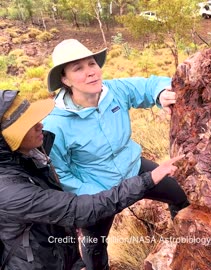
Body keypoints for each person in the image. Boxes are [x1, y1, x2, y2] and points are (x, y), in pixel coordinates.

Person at [42, 39, 189, 270]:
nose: (90, 72)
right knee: (95, 245)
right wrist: (96, 197)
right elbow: (59, 173)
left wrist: (160, 93)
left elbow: (147, 86)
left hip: (134, 169)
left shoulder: (114, 91)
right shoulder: (54, 124)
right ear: (64, 79)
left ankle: (188, 246)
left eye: (92, 64)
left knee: (181, 196)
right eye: (78, 68)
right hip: (99, 190)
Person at [0, 90, 183, 270]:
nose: (40, 124)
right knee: (94, 242)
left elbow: (52, 221)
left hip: (55, 255)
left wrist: (75, 263)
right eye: (29, 125)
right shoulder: (10, 190)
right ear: (9, 139)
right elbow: (77, 209)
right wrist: (148, 180)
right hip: (36, 263)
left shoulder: (31, 155)